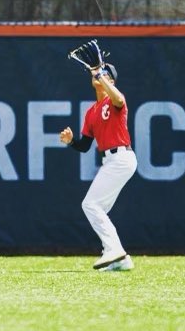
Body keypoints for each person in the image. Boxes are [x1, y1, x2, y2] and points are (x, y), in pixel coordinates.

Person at [59, 62, 137, 271]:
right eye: (96, 74)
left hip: (121, 157)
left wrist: (101, 75)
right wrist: (71, 141)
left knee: (90, 205)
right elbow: (85, 145)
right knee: (98, 208)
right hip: (110, 161)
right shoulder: (91, 112)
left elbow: (119, 99)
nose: (97, 76)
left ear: (110, 80)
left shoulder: (114, 100)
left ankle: (113, 250)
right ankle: (120, 259)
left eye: (104, 74)